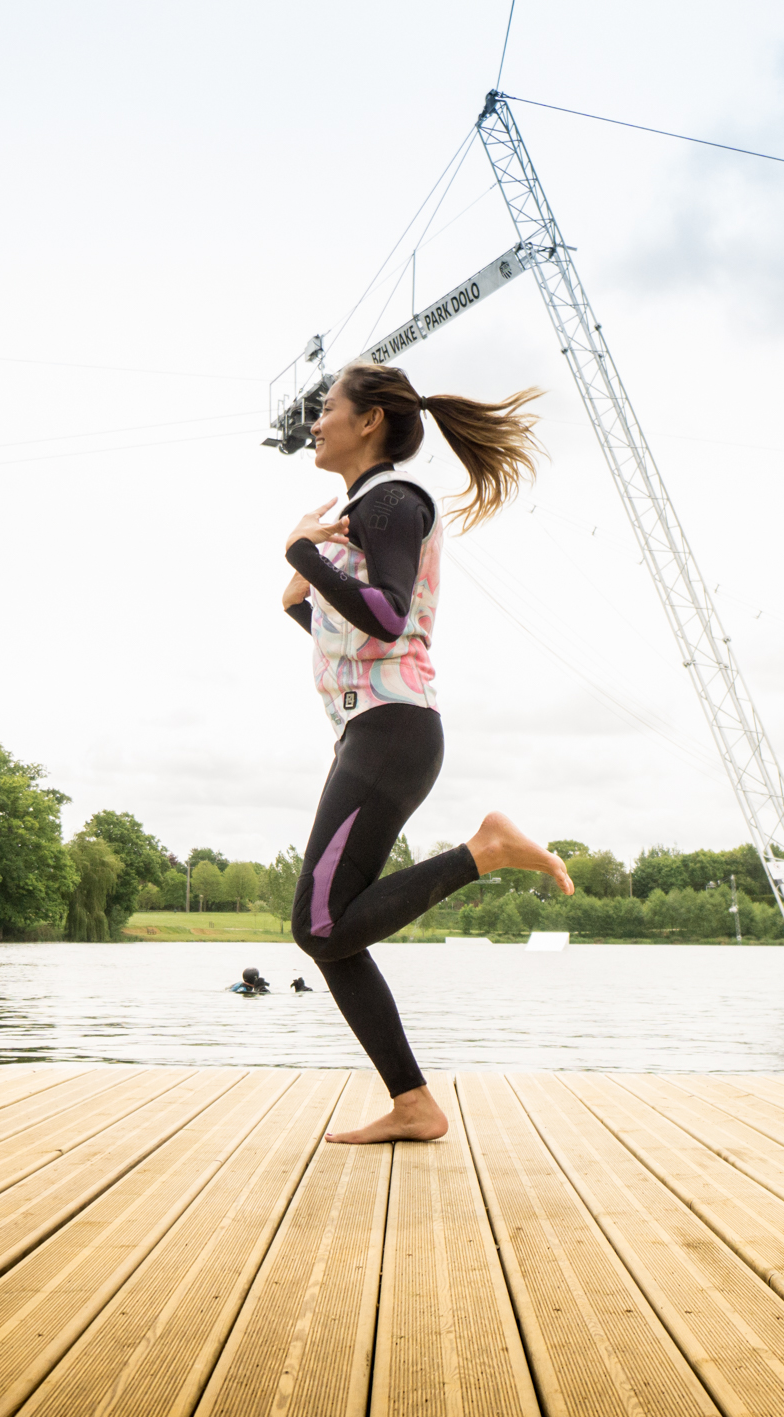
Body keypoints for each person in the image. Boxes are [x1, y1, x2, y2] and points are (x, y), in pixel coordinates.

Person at [281, 361, 574, 1144]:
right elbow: (358, 639)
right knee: (327, 928)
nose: (313, 421)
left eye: (326, 407)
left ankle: (485, 849)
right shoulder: (365, 508)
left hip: (393, 731)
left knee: (317, 924)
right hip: (374, 729)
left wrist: (301, 557)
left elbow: (385, 617)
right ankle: (412, 1103)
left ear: (368, 419)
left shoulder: (392, 501)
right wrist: (299, 605)